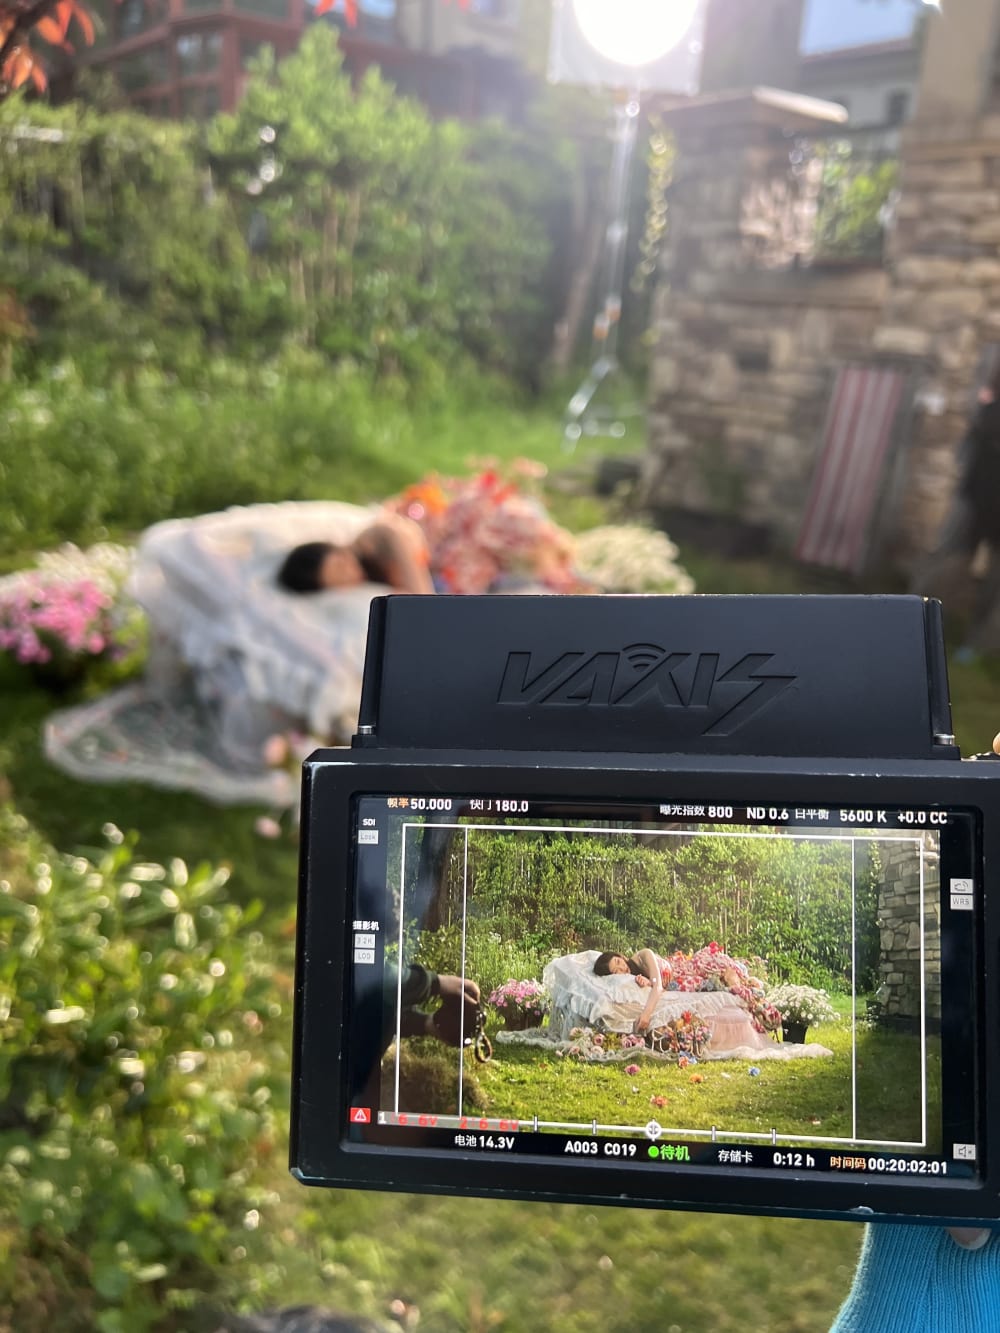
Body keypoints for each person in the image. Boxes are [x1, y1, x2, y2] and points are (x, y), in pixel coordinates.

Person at [912, 368, 1000, 656]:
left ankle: (977, 647)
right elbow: (971, 448)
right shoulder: (989, 409)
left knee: (994, 585)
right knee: (946, 563)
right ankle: (912, 620)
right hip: (974, 498)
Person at [277, 515, 434, 596]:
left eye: (340, 566)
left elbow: (424, 598)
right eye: (339, 580)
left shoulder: (378, 539)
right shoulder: (370, 576)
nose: (349, 575)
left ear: (334, 549)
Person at [593, 948, 666, 1033]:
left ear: (620, 956)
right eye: (616, 971)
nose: (622, 968)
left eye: (618, 961)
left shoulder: (644, 955)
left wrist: (646, 1014)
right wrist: (648, 983)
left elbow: (658, 985)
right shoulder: (630, 980)